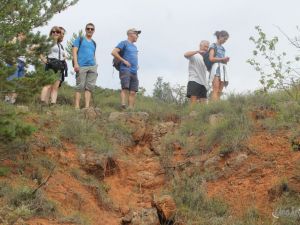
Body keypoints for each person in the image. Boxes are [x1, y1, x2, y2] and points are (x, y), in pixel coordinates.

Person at [111, 28, 141, 110]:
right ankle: (123, 106)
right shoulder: (124, 43)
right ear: (130, 34)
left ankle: (130, 109)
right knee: (125, 88)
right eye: (136, 34)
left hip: (134, 71)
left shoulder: (135, 47)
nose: (137, 36)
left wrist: (137, 65)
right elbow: (113, 52)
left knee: (133, 91)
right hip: (125, 69)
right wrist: (124, 61)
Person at [72, 23, 97, 110]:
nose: (90, 30)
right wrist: (76, 64)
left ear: (94, 31)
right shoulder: (80, 39)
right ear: (85, 29)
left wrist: (95, 64)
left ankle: (87, 107)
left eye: (92, 29)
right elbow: (74, 51)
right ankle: (77, 107)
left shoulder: (94, 43)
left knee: (89, 87)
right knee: (80, 86)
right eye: (88, 28)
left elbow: (93, 54)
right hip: (81, 66)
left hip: (92, 66)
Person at [40, 26, 67, 106]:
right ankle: (42, 103)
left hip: (59, 67)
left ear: (60, 34)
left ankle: (53, 104)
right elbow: (40, 52)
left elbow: (64, 55)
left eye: (58, 32)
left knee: (55, 87)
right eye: (53, 32)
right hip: (50, 65)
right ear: (51, 33)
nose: (55, 33)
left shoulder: (60, 45)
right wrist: (44, 60)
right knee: (47, 85)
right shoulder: (48, 42)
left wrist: (64, 58)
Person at [184, 40, 210, 106]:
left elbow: (209, 69)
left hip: (203, 83)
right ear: (200, 46)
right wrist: (197, 51)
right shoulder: (195, 55)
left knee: (203, 105)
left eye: (207, 47)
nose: (206, 49)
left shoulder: (206, 58)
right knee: (193, 102)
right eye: (205, 46)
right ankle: (190, 116)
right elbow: (185, 54)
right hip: (194, 80)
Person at [5, 33, 27, 104]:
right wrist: (14, 61)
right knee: (11, 82)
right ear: (18, 34)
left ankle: (12, 102)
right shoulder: (14, 40)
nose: (22, 36)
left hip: (22, 64)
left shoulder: (25, 44)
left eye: (24, 34)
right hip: (13, 62)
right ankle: (7, 101)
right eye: (21, 34)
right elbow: (8, 49)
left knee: (19, 85)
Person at [208, 30, 230, 101]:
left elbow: (222, 60)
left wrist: (225, 61)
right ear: (220, 36)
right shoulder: (213, 45)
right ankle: (214, 106)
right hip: (215, 69)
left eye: (226, 39)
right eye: (224, 39)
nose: (225, 41)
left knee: (220, 89)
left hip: (222, 69)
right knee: (215, 88)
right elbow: (211, 58)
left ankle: (217, 105)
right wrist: (222, 59)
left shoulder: (223, 48)